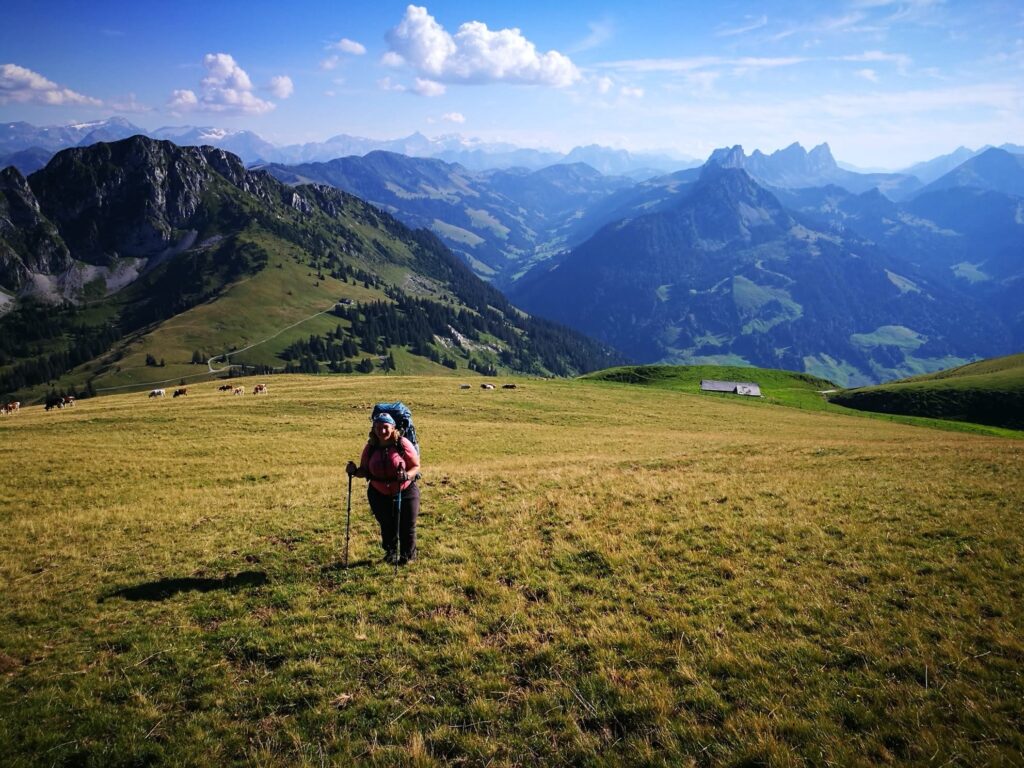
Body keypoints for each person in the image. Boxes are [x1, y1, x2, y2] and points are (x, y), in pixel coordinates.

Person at [346, 412, 421, 564]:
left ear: (393, 428)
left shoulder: (402, 443)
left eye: (386, 427)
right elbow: (365, 470)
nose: (382, 431)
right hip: (378, 493)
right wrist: (354, 471)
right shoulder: (371, 447)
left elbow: (416, 466)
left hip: (405, 491)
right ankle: (390, 552)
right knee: (387, 525)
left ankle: (408, 557)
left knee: (407, 525)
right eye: (378, 427)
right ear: (373, 428)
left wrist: (407, 475)